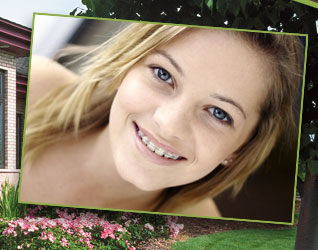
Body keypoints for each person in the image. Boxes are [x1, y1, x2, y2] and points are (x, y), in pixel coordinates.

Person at [20, 22, 303, 218]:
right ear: (126, 64)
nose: (168, 124)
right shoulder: (29, 87)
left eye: (219, 113)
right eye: (163, 74)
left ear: (239, 148)